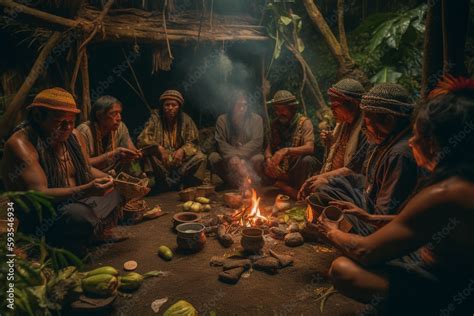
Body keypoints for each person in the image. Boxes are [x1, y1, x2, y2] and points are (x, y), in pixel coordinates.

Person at [315, 76, 474, 316]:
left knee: (341, 269)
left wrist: (330, 231)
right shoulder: (460, 181)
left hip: (450, 289)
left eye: (418, 135)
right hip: (445, 272)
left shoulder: (445, 193)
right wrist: (369, 218)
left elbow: (365, 251)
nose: (412, 142)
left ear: (434, 142)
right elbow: (422, 223)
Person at [1, 88, 126, 253]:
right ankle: (58, 245)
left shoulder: (73, 135)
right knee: (79, 216)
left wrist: (117, 182)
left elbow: (86, 169)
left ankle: (95, 233)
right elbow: (39, 193)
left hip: (76, 200)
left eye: (72, 121)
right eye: (60, 122)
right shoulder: (21, 144)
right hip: (42, 215)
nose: (68, 127)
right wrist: (86, 189)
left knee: (115, 191)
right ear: (38, 117)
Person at [305, 83, 420, 236]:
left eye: (367, 122)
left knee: (339, 255)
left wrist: (357, 216)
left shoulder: (399, 154)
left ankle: (344, 237)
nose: (364, 127)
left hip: (381, 222)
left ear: (388, 120)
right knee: (323, 191)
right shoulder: (381, 139)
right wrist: (330, 181)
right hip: (367, 200)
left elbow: (382, 215)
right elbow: (366, 180)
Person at [299, 78, 368, 200]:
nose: (332, 110)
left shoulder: (366, 130)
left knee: (318, 189)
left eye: (335, 106)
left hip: (352, 186)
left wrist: (324, 178)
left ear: (353, 104)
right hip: (336, 178)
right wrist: (330, 141)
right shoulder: (343, 124)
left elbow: (354, 168)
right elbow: (340, 151)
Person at [137, 90, 206, 190]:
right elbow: (142, 138)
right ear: (162, 106)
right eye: (167, 105)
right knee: (148, 156)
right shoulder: (155, 118)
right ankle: (163, 182)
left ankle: (178, 181)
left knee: (201, 157)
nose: (170, 108)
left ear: (179, 107)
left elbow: (193, 142)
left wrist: (182, 150)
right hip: (162, 160)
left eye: (174, 105)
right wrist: (158, 148)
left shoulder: (186, 120)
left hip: (179, 162)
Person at [263, 90, 318, 199]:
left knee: (308, 160)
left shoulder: (304, 123)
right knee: (261, 162)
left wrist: (286, 151)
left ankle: (291, 190)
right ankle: (284, 187)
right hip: (281, 168)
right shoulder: (275, 124)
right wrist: (269, 159)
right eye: (277, 110)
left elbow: (310, 147)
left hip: (296, 167)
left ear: (292, 108)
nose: (279, 113)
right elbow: (268, 147)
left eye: (283, 109)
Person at [208, 90, 264, 188]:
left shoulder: (257, 119)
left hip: (248, 158)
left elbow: (257, 141)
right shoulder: (222, 120)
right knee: (214, 157)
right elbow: (220, 142)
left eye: (245, 105)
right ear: (232, 105)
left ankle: (249, 181)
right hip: (228, 158)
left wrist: (238, 155)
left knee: (258, 158)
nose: (242, 108)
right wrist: (232, 156)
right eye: (238, 105)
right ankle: (231, 182)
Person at [77, 95, 142, 173]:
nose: (119, 118)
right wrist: (114, 153)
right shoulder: (84, 131)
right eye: (113, 113)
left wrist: (135, 154)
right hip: (91, 175)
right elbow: (83, 164)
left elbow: (130, 148)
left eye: (119, 113)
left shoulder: (120, 127)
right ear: (99, 115)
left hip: (112, 172)